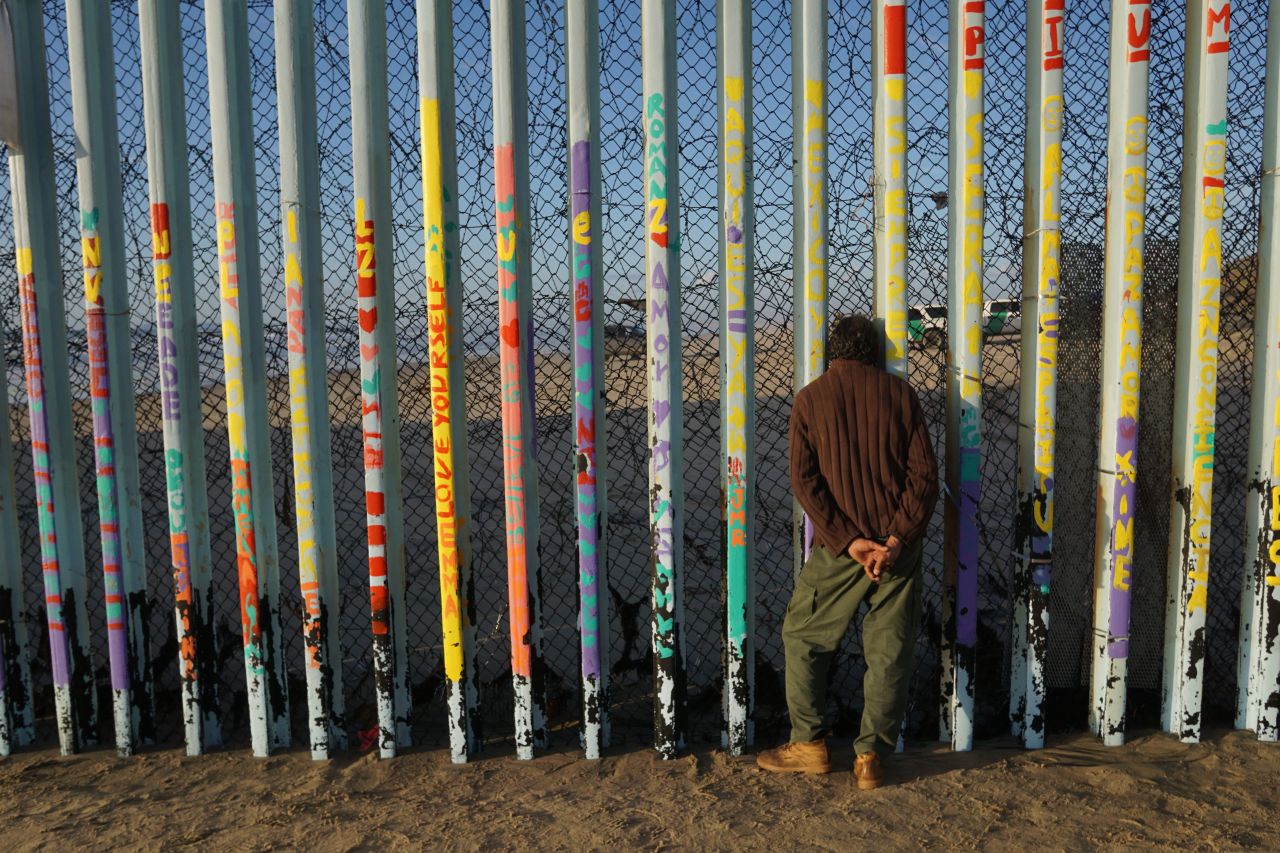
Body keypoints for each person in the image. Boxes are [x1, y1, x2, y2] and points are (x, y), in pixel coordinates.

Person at [757, 314, 939, 790]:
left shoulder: (809, 399)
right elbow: (923, 477)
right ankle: (871, 758)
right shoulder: (902, 396)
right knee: (889, 650)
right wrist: (896, 539)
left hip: (841, 551)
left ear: (830, 352)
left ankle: (810, 744)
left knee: (802, 637)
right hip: (898, 549)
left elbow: (805, 482)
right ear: (875, 352)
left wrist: (848, 540)